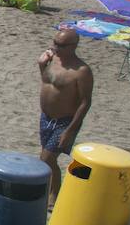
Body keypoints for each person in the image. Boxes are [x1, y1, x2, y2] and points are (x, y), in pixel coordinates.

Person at [38, 29, 93, 206]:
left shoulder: (82, 71)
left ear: (73, 46)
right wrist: (41, 65)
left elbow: (85, 102)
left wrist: (70, 131)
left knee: (47, 158)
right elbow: (48, 83)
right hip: (46, 118)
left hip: (65, 121)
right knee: (46, 159)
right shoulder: (51, 59)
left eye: (60, 45)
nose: (55, 47)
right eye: (54, 42)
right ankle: (53, 190)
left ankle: (55, 195)